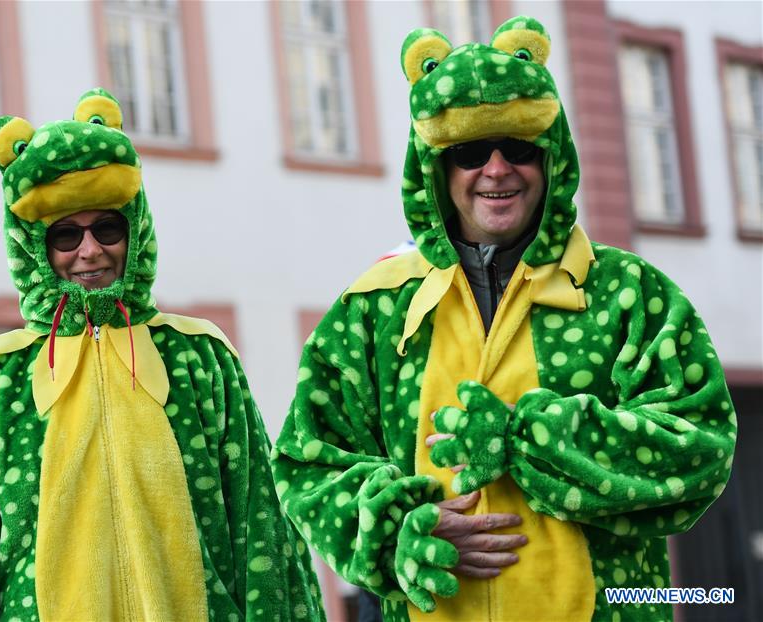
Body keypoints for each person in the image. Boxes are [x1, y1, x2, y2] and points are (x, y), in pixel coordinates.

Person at [271, 16, 736, 622]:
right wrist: (397, 529)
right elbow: (308, 462)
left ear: (550, 159)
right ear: (436, 166)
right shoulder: (373, 308)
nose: (496, 170)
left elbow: (700, 445)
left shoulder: (625, 290)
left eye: (517, 148)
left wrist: (531, 439)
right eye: (469, 151)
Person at [0, 88, 322, 621]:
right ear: (33, 244)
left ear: (136, 228)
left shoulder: (200, 355)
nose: (89, 250)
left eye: (108, 227)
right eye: (64, 234)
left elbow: (261, 527)